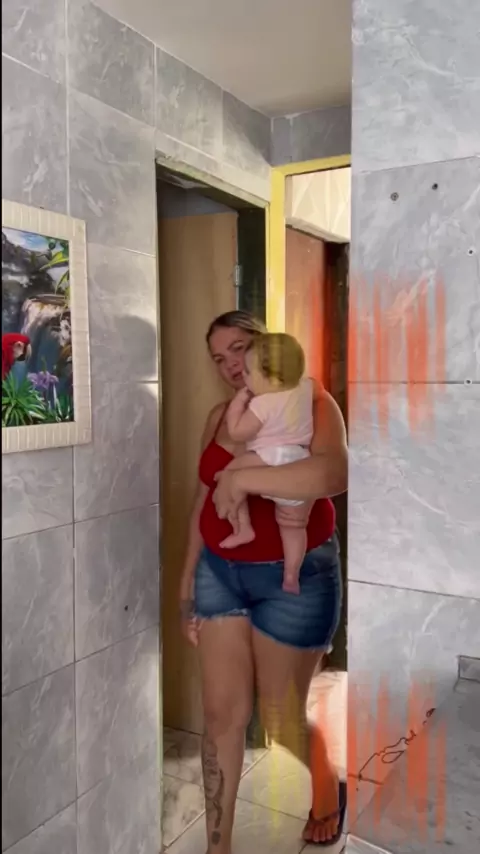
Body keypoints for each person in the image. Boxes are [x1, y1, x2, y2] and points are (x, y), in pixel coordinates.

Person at [179, 310, 348, 852]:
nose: (231, 364)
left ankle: (327, 784)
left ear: (264, 344)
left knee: (280, 716)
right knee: (221, 715)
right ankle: (218, 846)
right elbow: (202, 501)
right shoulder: (220, 416)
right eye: (219, 357)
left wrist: (245, 478)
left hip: (292, 578)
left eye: (239, 348)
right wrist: (187, 580)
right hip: (219, 573)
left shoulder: (312, 401)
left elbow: (332, 474)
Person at [219, 332, 314, 595]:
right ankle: (291, 575)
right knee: (294, 525)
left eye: (249, 372)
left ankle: (243, 528)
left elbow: (238, 432)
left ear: (271, 379)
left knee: (230, 475)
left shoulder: (263, 403)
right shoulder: (305, 388)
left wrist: (238, 403)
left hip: (269, 458)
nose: (244, 375)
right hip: (300, 464)